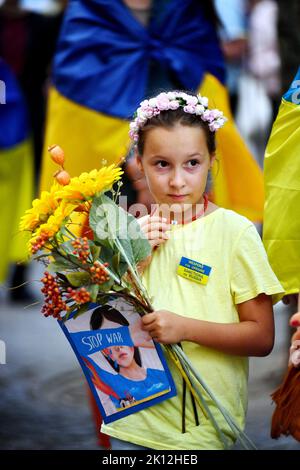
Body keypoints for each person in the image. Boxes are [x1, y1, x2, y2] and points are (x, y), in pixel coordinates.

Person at [100, 90, 284, 450]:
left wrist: (185, 328)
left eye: (192, 163)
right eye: (162, 164)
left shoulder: (235, 233)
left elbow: (261, 338)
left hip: (201, 429)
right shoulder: (128, 231)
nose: (178, 182)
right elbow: (102, 326)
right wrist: (133, 259)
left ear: (212, 161)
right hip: (132, 421)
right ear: (139, 163)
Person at [85, 305, 171, 413]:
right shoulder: (106, 385)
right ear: (103, 351)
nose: (117, 346)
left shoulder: (162, 374)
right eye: (107, 339)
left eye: (119, 333)